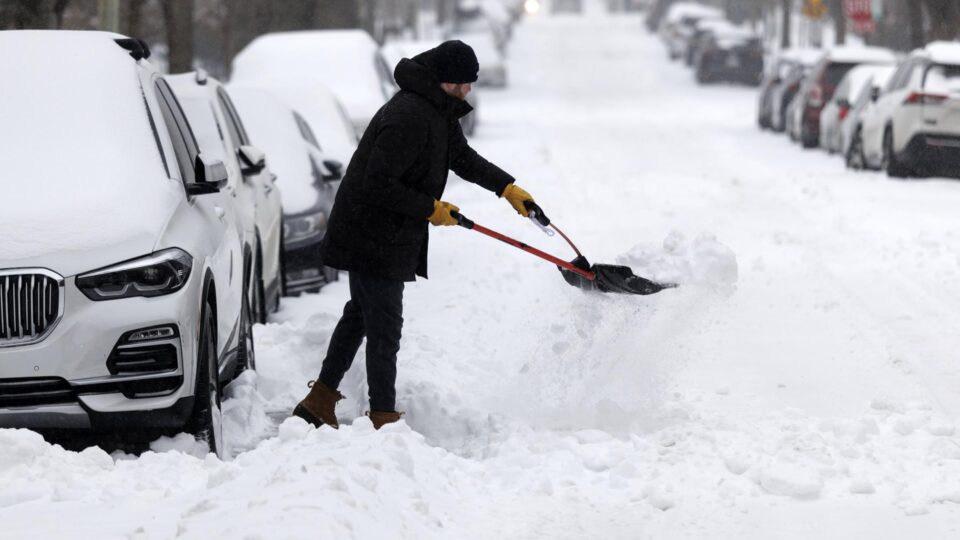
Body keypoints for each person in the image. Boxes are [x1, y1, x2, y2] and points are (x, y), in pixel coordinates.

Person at [292, 40, 537, 430]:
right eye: (463, 83)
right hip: (371, 232)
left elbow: (462, 157)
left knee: (361, 315)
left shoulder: (437, 110)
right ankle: (382, 420)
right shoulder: (409, 115)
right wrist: (431, 209)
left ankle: (319, 400)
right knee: (385, 325)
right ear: (444, 80)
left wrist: (506, 189)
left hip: (382, 231)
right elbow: (378, 183)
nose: (469, 90)